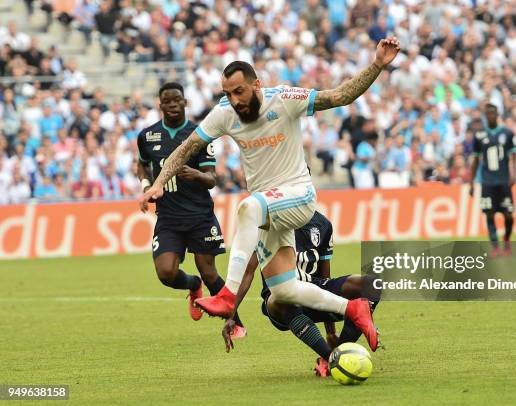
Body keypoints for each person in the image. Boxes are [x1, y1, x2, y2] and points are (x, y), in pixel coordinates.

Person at [139, 37, 401, 351]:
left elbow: (341, 95)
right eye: (228, 94)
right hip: (269, 213)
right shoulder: (224, 113)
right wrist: (157, 184)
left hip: (298, 196)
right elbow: (186, 149)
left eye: (239, 91)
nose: (234, 100)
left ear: (256, 85)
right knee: (284, 290)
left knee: (248, 207)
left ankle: (227, 296)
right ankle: (352, 309)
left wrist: (376, 66)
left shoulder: (285, 98)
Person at [137, 82, 244, 335]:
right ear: (160, 105)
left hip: (199, 216)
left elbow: (211, 179)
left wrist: (196, 174)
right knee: (165, 273)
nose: (173, 105)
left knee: (209, 272)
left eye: (177, 100)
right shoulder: (147, 136)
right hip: (168, 217)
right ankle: (192, 285)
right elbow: (142, 165)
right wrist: (146, 186)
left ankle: (236, 323)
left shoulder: (200, 133)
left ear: (185, 103)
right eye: (167, 101)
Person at [221, 211, 380, 377]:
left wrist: (331, 333)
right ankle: (333, 359)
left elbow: (324, 276)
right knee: (281, 297)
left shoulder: (323, 224)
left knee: (371, 285)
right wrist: (231, 315)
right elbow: (248, 273)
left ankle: (334, 355)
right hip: (280, 300)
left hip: (315, 293)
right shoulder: (269, 224)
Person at [469, 104, 516, 257]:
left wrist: (513, 172)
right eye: (488, 113)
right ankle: (495, 246)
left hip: (503, 181)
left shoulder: (507, 134)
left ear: (497, 114)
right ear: (485, 115)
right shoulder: (479, 135)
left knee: (508, 214)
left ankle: (507, 239)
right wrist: (471, 182)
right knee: (489, 213)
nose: (490, 116)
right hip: (487, 181)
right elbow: (476, 160)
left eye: (493, 113)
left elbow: (514, 155)